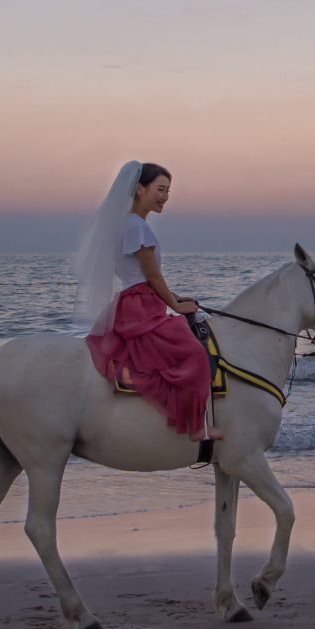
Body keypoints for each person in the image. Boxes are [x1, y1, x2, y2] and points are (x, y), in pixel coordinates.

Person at [70, 161, 222, 441]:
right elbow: (151, 275)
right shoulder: (136, 226)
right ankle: (195, 427)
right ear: (140, 189)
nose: (165, 196)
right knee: (195, 355)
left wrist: (174, 296)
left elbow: (138, 276)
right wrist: (175, 306)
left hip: (136, 299)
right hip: (140, 307)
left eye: (168, 191)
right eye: (160, 189)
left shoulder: (123, 225)